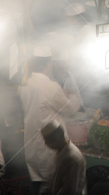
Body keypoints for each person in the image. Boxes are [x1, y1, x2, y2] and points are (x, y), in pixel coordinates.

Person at [19, 46, 81, 195]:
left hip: (31, 147)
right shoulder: (50, 86)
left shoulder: (24, 85)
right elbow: (71, 108)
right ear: (49, 64)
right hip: (49, 149)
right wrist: (73, 96)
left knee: (36, 184)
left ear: (33, 65)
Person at [41, 120, 86, 195]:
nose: (46, 144)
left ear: (59, 136)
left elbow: (69, 190)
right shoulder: (60, 153)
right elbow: (52, 181)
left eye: (48, 140)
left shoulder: (72, 157)